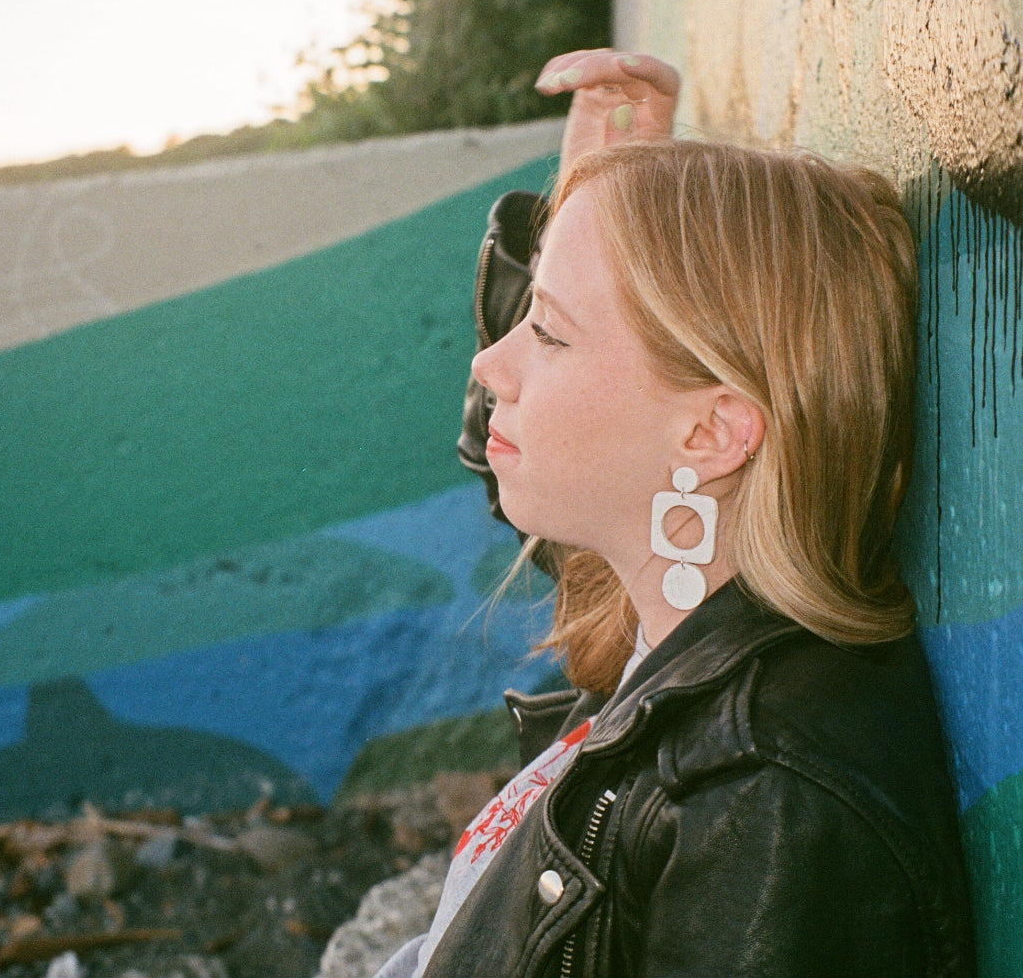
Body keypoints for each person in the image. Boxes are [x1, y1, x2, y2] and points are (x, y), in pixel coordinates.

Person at [375, 50, 976, 977]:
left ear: (711, 433)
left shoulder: (765, 801)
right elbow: (523, 461)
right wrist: (573, 233)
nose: (491, 368)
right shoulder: (675, 599)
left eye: (547, 333)